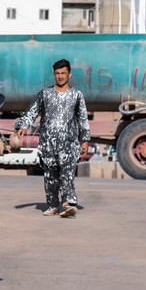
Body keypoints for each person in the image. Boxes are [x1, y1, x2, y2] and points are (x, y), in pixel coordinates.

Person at [15, 59, 90, 217]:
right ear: (54, 74)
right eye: (57, 73)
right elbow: (32, 110)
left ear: (69, 74)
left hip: (68, 143)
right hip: (48, 143)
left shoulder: (76, 95)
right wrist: (23, 126)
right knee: (50, 176)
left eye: (63, 73)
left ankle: (68, 203)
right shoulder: (45, 94)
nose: (60, 76)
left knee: (67, 174)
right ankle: (53, 205)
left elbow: (83, 118)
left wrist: (85, 140)